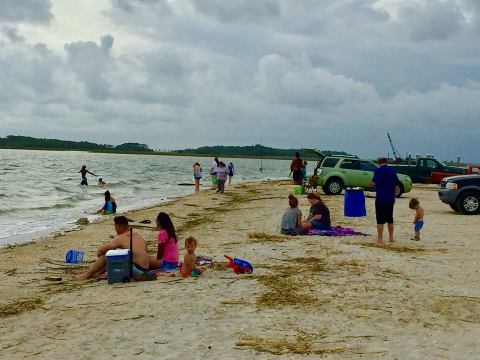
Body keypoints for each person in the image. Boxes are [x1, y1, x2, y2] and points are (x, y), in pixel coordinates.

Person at [73, 216, 149, 281]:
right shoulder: (137, 235)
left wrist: (100, 256)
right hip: (145, 270)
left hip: (136, 271)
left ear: (118, 226)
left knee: (107, 255)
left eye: (115, 227)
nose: (115, 229)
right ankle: (98, 273)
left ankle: (87, 275)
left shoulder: (120, 237)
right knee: (118, 255)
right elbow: (146, 251)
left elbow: (101, 250)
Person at [368, 157, 399, 244]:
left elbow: (374, 182)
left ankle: (380, 239)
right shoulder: (392, 170)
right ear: (386, 162)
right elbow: (396, 184)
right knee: (390, 218)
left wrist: (369, 183)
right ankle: (391, 238)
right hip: (390, 198)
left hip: (381, 198)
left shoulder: (378, 171)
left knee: (380, 219)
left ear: (379, 163)